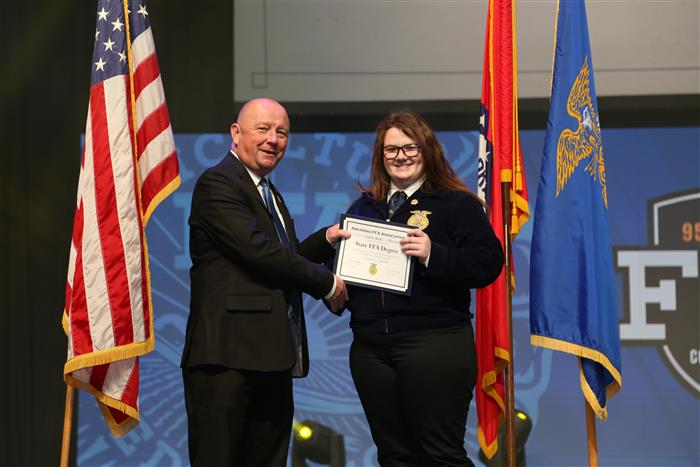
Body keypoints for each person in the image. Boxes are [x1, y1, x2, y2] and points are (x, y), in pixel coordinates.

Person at [181, 98, 349, 466]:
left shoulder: (269, 192)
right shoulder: (218, 182)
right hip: (227, 358)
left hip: (271, 360)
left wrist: (325, 240)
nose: (273, 139)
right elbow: (258, 252)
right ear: (236, 133)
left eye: (282, 132)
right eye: (263, 129)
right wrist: (326, 282)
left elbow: (280, 257)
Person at [343, 110, 504, 466]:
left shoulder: (456, 204)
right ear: (380, 156)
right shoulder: (363, 208)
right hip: (370, 348)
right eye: (391, 150)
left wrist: (434, 253)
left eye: (410, 147)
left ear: (427, 149)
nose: (400, 156)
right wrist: (336, 287)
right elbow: (353, 273)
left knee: (441, 455)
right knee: (394, 456)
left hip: (434, 342)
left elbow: (489, 263)